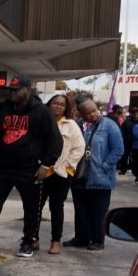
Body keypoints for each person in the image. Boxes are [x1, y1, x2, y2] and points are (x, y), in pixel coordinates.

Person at [0, 74, 61, 258]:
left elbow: (55, 140)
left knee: (31, 207)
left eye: (16, 90)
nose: (12, 93)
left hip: (29, 168)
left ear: (27, 90)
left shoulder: (41, 112)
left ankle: (28, 241)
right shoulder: (5, 111)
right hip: (4, 167)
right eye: (10, 90)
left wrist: (45, 165)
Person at [66, 98, 124, 250]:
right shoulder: (77, 125)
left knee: (98, 211)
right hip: (78, 175)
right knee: (81, 210)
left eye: (94, 110)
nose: (93, 114)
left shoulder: (109, 125)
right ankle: (81, 238)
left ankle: (98, 239)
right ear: (80, 113)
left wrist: (105, 165)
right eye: (88, 112)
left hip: (100, 177)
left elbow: (118, 149)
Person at [35, 94, 84, 255]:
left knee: (56, 207)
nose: (57, 106)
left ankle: (55, 241)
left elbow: (79, 148)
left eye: (62, 104)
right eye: (55, 103)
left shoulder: (71, 125)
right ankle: (32, 238)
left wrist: (68, 166)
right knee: (36, 206)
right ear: (49, 104)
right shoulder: (40, 121)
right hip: (41, 171)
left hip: (61, 173)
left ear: (66, 108)